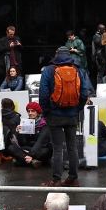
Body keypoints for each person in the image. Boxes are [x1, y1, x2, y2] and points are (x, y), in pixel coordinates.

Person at [39, 49, 91, 187]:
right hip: (72, 114)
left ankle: (56, 180)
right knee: (72, 147)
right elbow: (84, 93)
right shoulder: (78, 70)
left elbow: (43, 94)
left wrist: (46, 111)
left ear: (56, 56)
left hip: (55, 115)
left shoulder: (49, 70)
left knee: (57, 148)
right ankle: (73, 178)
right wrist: (77, 108)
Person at [10, 102, 51, 168]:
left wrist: (31, 155)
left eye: (33, 111)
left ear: (37, 112)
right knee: (11, 148)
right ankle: (32, 161)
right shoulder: (26, 123)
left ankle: (22, 159)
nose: (30, 113)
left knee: (45, 151)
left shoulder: (44, 124)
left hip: (39, 148)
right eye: (28, 111)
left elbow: (40, 142)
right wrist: (19, 133)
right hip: (28, 148)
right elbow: (23, 143)